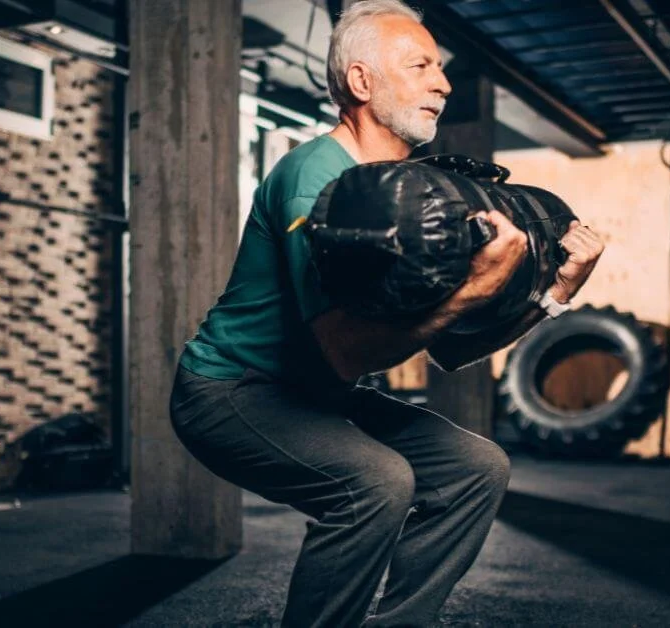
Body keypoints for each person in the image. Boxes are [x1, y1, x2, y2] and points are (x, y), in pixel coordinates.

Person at [169, 1, 604, 625]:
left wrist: (553, 293)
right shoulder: (316, 182)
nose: (443, 82)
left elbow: (449, 348)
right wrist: (476, 288)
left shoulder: (405, 192)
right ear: (362, 82)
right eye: (420, 64)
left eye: (442, 67)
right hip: (233, 391)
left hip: (317, 390)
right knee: (374, 484)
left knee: (475, 468)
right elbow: (345, 351)